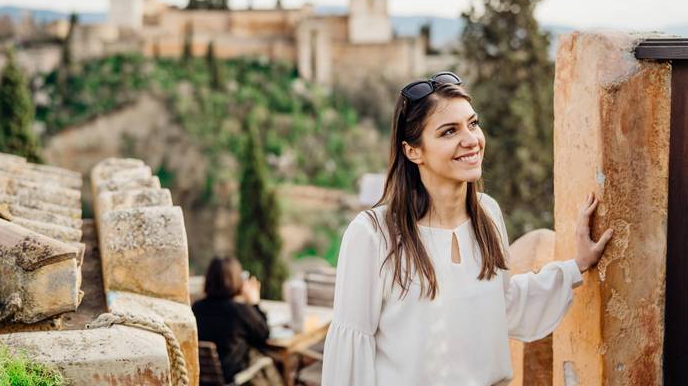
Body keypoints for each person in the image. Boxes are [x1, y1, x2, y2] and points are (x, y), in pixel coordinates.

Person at [321, 72, 614, 386]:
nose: (471, 140)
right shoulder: (373, 235)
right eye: (449, 131)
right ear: (412, 151)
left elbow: (503, 306)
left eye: (472, 124)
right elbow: (351, 353)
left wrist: (577, 264)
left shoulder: (487, 214)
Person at [192, 256, 283, 386]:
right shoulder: (239, 311)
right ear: (236, 280)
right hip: (234, 380)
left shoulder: (196, 308)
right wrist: (255, 302)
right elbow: (264, 334)